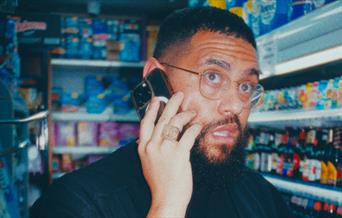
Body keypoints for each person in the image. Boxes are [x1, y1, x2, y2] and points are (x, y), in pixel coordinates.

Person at [31, 7, 293, 218]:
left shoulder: (260, 195)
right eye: (213, 76)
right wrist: (167, 207)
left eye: (246, 86)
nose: (236, 105)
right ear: (156, 78)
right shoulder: (77, 203)